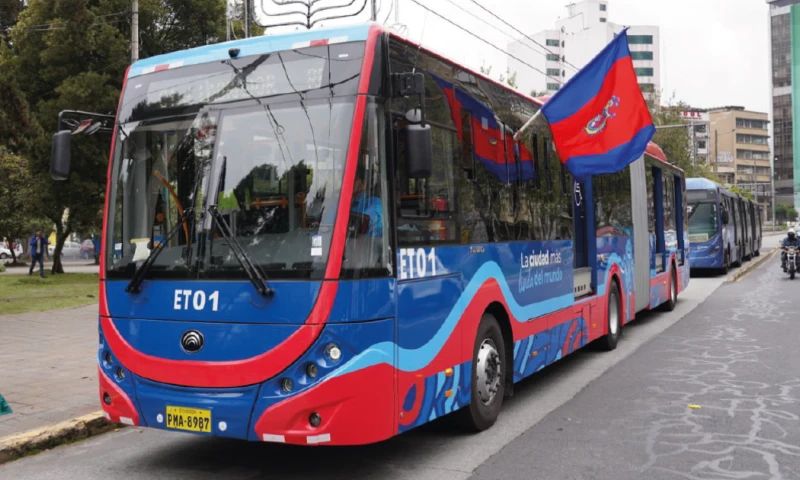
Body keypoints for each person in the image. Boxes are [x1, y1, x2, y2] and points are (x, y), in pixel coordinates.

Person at [350, 166, 383, 238]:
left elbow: (367, 221)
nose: (347, 182)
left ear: (363, 184)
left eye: (353, 179)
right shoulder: (341, 204)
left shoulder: (374, 202)